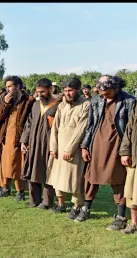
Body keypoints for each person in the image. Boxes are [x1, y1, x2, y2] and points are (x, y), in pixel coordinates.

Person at [80, 75, 136, 228]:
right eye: (101, 92)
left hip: (118, 145)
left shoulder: (129, 101)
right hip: (96, 144)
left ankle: (120, 215)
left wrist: (127, 151)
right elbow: (90, 125)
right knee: (91, 177)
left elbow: (131, 129)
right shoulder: (96, 100)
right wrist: (85, 146)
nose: (103, 95)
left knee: (118, 179)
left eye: (107, 93)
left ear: (116, 88)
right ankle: (85, 208)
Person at [47, 78, 90, 216]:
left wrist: (70, 149)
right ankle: (61, 203)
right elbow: (55, 128)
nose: (68, 93)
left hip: (74, 150)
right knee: (57, 176)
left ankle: (76, 206)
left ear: (78, 90)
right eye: (65, 91)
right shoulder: (61, 106)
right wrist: (53, 147)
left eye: (70, 90)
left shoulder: (86, 105)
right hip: (59, 149)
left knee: (75, 179)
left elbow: (81, 129)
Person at [21, 78, 61, 209]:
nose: (40, 94)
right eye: (38, 92)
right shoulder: (36, 105)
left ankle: (47, 202)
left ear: (50, 89)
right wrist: (24, 141)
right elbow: (29, 123)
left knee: (48, 172)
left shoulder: (58, 105)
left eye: (43, 92)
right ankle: (34, 199)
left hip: (49, 144)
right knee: (32, 169)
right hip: (33, 143)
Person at [0, 76, 34, 201]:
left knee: (18, 165)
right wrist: (5, 103)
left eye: (10, 86)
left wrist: (25, 139)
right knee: (5, 164)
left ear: (18, 86)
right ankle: (5, 188)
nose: (8, 89)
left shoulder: (28, 101)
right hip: (6, 136)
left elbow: (30, 122)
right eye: (6, 87)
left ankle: (20, 192)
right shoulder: (7, 99)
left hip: (19, 138)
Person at [119, 96, 137, 234]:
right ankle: (134, 224)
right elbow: (129, 128)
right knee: (132, 190)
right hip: (136, 154)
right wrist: (125, 151)